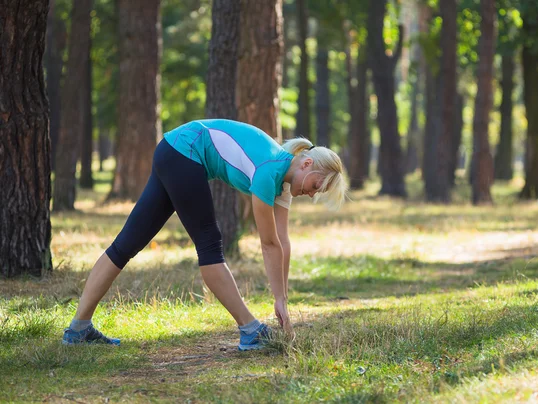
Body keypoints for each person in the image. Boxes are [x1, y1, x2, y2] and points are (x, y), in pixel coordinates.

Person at [62, 119, 347, 350]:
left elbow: (283, 242)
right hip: (183, 153)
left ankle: (78, 329)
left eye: (317, 192)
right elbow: (269, 243)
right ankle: (251, 331)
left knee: (126, 244)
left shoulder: (282, 182)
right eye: (315, 185)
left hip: (173, 149)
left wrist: (282, 299)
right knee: (210, 245)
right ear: (306, 163)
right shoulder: (267, 172)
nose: (312, 194)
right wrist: (279, 301)